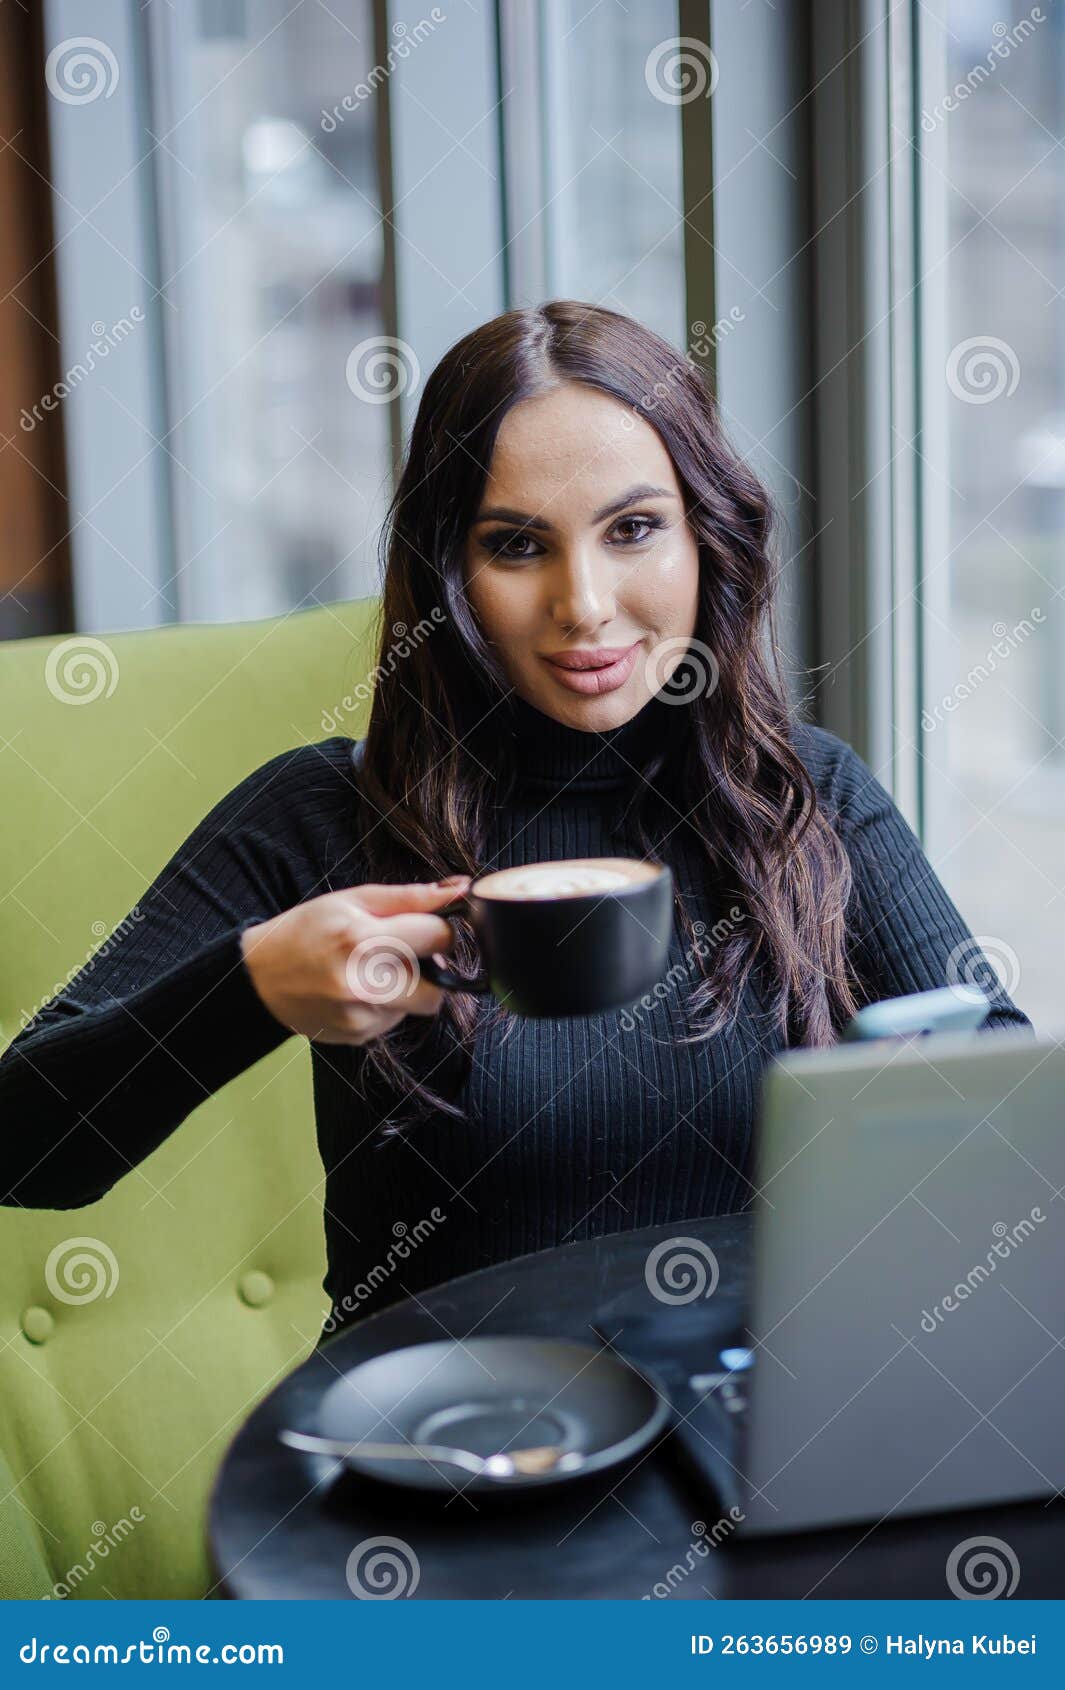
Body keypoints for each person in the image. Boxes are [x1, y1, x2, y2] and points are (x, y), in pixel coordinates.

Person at [0, 301, 1029, 1344]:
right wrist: (254, 985)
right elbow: (24, 1146)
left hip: (754, 1448)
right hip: (438, 1468)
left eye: (633, 529)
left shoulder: (805, 797)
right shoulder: (322, 816)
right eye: (517, 545)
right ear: (450, 574)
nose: (583, 604)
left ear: (704, 536)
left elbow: (1014, 1129)